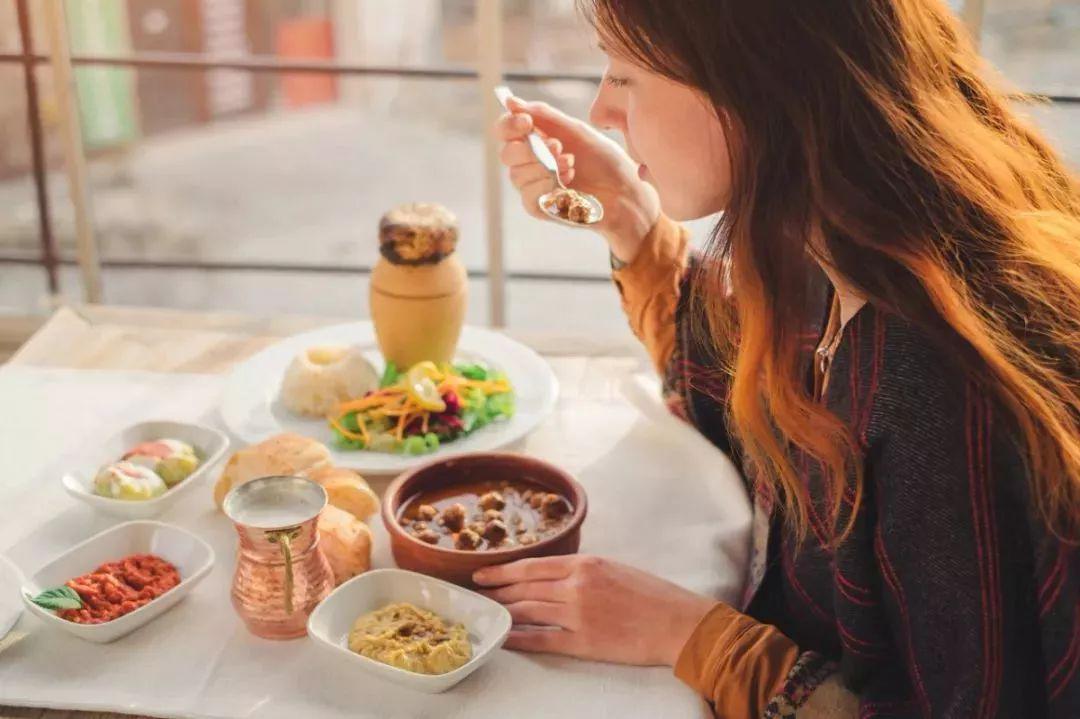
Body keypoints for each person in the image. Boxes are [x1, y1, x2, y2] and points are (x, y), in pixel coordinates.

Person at [474, 1, 1080, 717]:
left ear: (753, 82)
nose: (603, 109)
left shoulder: (938, 379)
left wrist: (695, 636)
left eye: (626, 73)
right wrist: (631, 217)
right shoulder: (833, 241)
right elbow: (746, 399)